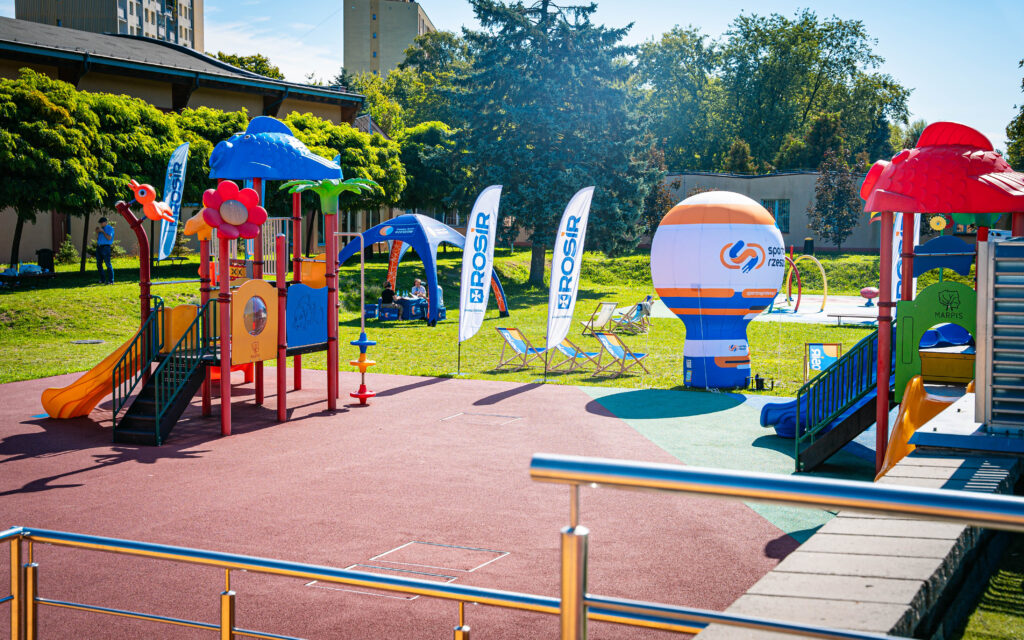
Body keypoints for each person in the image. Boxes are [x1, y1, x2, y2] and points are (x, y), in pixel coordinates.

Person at [95, 217, 115, 284]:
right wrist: (97, 232)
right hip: (99, 247)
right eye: (100, 223)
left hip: (106, 247)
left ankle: (111, 280)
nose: (100, 224)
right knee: (99, 264)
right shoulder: (101, 229)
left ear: (106, 222)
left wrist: (103, 232)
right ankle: (102, 279)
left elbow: (109, 238)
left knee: (108, 264)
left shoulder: (110, 228)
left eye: (102, 222)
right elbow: (97, 239)